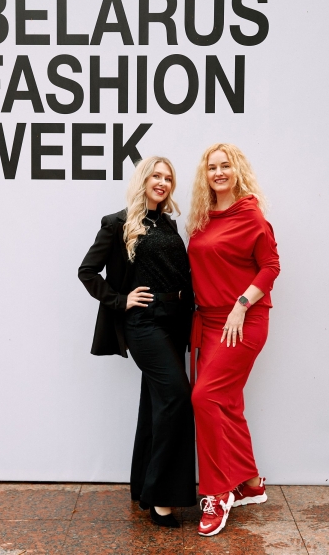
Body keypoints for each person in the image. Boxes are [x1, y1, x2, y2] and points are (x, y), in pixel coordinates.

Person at [78, 156, 196, 528]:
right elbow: (87, 271)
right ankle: (160, 497)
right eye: (155, 176)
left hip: (175, 322)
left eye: (168, 178)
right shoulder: (118, 223)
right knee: (177, 397)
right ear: (143, 180)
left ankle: (143, 485)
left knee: (155, 403)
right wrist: (120, 300)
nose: (162, 182)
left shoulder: (169, 223)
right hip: (144, 323)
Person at [186, 143, 280, 537]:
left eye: (225, 166)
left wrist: (242, 304)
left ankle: (218, 492)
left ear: (237, 170)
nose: (219, 173)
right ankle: (250, 483)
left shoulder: (250, 214)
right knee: (227, 402)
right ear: (205, 175)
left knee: (204, 398)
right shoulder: (203, 217)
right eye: (212, 168)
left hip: (242, 321)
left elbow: (270, 266)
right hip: (209, 322)